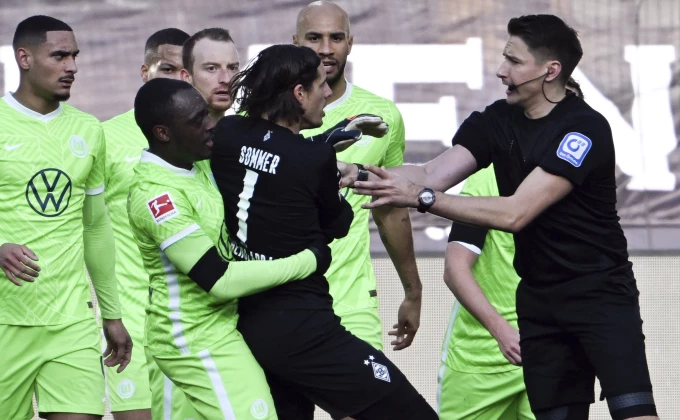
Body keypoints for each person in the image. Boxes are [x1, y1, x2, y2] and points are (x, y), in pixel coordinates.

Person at [349, 14, 657, 420]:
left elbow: (516, 213)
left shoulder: (583, 129)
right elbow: (430, 173)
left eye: (513, 61)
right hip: (539, 302)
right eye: (503, 58)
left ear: (550, 71)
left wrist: (420, 198)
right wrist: (351, 171)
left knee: (635, 413)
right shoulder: (496, 120)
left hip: (600, 296)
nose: (500, 70)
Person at [208, 44, 437, 420]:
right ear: (299, 93)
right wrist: (328, 160)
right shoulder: (313, 160)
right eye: (321, 85)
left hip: (249, 321)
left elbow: (273, 151)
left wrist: (324, 142)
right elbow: (338, 223)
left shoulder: (228, 132)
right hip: (305, 328)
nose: (329, 93)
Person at [127, 77, 331, 419]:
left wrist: (326, 145)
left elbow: (272, 159)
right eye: (197, 120)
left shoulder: (197, 161)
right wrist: (309, 260)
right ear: (163, 133)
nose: (210, 124)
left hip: (224, 325)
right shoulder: (157, 196)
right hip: (193, 339)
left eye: (206, 113)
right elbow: (219, 280)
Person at [0, 15, 131, 420]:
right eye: (59, 56)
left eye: (74, 56)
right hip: (6, 321)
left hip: (71, 320)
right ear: (24, 58)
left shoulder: (88, 130)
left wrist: (112, 314)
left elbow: (96, 227)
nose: (71, 66)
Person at [437, 77, 585, 420]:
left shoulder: (584, 184)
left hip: (554, 354)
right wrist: (501, 330)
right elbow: (455, 268)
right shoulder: (488, 177)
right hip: (481, 358)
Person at [296, 1, 422, 353]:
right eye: (314, 38)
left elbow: (390, 207)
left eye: (336, 37)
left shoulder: (383, 115)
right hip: (279, 301)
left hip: (351, 302)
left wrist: (413, 291)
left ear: (350, 43)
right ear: (295, 43)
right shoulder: (259, 115)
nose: (325, 48)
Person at [102, 28, 195, 420]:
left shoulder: (208, 139)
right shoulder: (105, 137)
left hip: (195, 322)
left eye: (185, 70)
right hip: (131, 322)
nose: (178, 78)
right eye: (167, 69)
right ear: (145, 72)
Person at [180, 28, 239, 122]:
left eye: (232, 68)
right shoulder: (169, 130)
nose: (226, 79)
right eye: (212, 68)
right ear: (187, 77)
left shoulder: (247, 128)